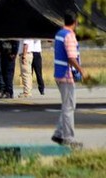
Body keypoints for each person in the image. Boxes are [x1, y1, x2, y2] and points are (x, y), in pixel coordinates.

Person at [52, 11, 85, 149]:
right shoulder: (70, 36)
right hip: (66, 75)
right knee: (69, 107)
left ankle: (59, 134)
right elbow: (71, 57)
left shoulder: (59, 34)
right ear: (75, 22)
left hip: (58, 74)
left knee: (67, 105)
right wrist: (81, 70)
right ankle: (69, 138)